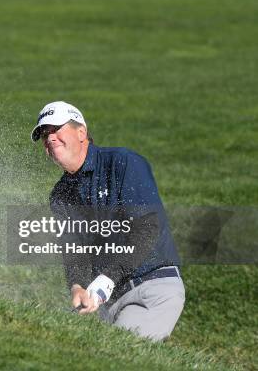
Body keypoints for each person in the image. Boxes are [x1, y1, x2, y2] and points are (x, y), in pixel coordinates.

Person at [31, 101, 185, 342]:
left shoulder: (122, 162)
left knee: (119, 353)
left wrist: (107, 278)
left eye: (55, 128)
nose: (49, 137)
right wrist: (77, 286)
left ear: (81, 132)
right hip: (109, 300)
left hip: (152, 287)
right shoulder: (60, 195)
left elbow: (147, 228)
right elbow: (74, 251)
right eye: (44, 134)